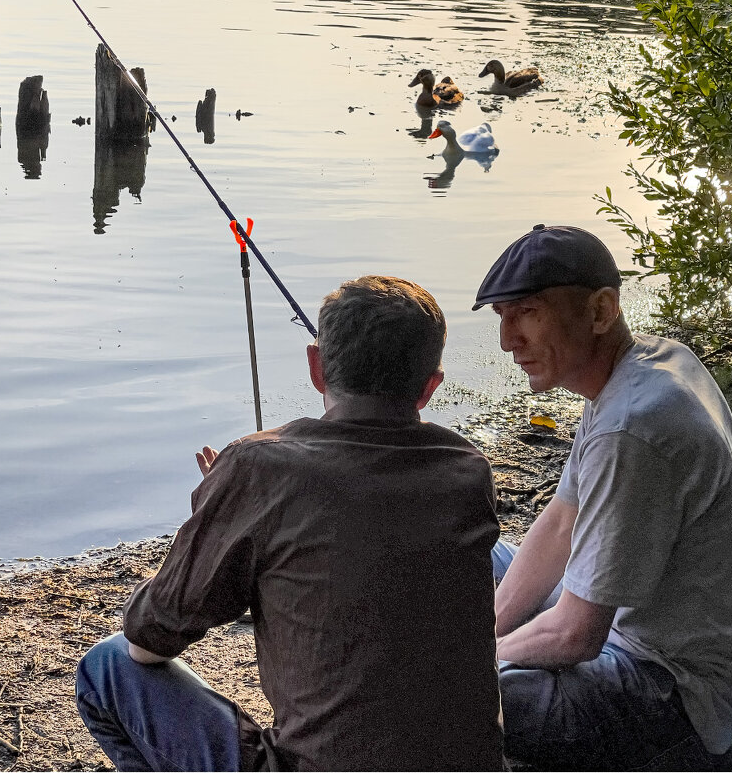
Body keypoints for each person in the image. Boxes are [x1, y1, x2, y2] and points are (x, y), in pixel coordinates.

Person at [76, 275, 505, 772]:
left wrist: (217, 518)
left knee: (107, 667)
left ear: (316, 366)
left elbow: (146, 639)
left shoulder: (260, 467)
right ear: (431, 386)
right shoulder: (468, 469)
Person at [473, 224, 732, 771]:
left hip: (671, 683)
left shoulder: (632, 427)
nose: (507, 341)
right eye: (502, 317)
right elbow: (563, 519)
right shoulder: (647, 364)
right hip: (623, 624)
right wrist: (486, 631)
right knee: (472, 552)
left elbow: (575, 635)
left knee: (461, 703)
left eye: (527, 313)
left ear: (600, 311)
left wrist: (469, 665)